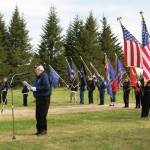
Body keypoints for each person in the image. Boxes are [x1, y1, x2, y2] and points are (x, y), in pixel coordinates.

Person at [27, 64, 51, 136]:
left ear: (41, 70)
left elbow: (46, 87)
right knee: (38, 115)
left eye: (37, 70)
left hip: (44, 98)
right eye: (35, 70)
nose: (35, 71)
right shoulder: (38, 77)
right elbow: (35, 87)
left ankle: (43, 131)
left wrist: (36, 88)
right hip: (39, 98)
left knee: (42, 115)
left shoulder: (44, 76)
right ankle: (39, 130)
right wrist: (31, 88)